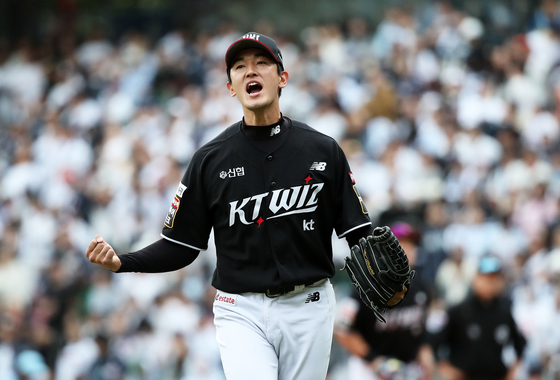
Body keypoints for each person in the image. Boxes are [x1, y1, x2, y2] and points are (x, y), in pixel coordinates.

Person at [85, 32, 407, 380]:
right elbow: (180, 246)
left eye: (261, 63)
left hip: (309, 306)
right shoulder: (209, 160)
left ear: (282, 78)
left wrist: (392, 280)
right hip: (241, 309)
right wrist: (123, 262)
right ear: (231, 87)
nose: (250, 71)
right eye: (239, 67)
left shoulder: (322, 150)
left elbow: (358, 232)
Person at [334, 222, 435, 380]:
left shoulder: (421, 288)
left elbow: (421, 330)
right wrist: (373, 359)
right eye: (400, 246)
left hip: (406, 369)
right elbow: (341, 330)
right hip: (368, 370)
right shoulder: (365, 288)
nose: (406, 251)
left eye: (411, 245)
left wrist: (425, 355)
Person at [433, 255, 527, 380]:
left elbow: (520, 345)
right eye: (486, 278)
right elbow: (435, 342)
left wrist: (513, 370)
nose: (490, 282)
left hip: (496, 375)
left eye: (494, 278)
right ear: (476, 279)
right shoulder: (459, 311)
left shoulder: (504, 312)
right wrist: (445, 368)